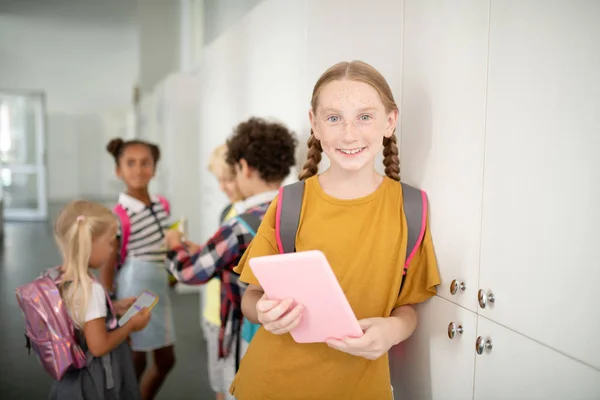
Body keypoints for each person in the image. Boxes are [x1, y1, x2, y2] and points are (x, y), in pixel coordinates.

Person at [229, 60, 441, 400]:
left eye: (365, 117)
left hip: (359, 389)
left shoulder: (411, 208)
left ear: (390, 122)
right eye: (333, 118)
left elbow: (408, 306)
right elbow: (251, 298)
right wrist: (264, 312)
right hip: (270, 385)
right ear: (314, 124)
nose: (349, 133)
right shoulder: (289, 203)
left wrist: (392, 330)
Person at [163, 117, 297, 400]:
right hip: (293, 335)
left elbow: (189, 272)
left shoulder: (239, 226)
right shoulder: (302, 212)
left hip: (246, 332)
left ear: (244, 168)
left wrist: (174, 246)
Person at [49, 200, 151, 399]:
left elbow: (79, 315)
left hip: (69, 381)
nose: (113, 248)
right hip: (94, 381)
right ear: (90, 243)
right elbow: (99, 346)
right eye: (110, 242)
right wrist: (131, 325)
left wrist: (113, 307)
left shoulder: (58, 277)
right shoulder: (91, 289)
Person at [100, 138, 176, 400]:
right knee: (136, 357)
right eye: (130, 163)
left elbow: (162, 245)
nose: (138, 169)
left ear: (155, 169)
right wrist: (108, 300)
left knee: (165, 359)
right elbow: (109, 260)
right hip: (134, 288)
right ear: (118, 170)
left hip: (158, 285)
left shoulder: (161, 204)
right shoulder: (119, 214)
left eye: (145, 163)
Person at [204, 144, 244, 400]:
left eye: (228, 180)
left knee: (233, 386)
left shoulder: (248, 216)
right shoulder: (226, 212)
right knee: (219, 384)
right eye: (219, 181)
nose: (223, 187)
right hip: (214, 310)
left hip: (232, 316)